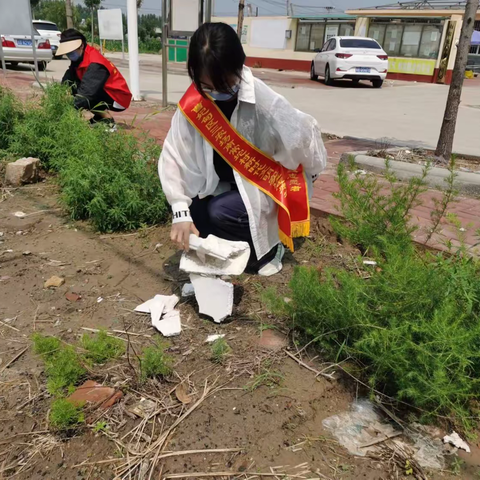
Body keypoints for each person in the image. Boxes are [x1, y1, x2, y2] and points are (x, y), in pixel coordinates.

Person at [159, 23, 327, 276]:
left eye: (224, 84)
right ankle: (235, 244)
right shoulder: (194, 103)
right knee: (192, 212)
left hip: (266, 184)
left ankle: (270, 250)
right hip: (224, 183)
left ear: (239, 66)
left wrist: (307, 175)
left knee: (220, 213)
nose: (215, 92)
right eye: (207, 86)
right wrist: (180, 211)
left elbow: (301, 138)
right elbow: (175, 154)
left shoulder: (264, 101)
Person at [56, 29, 132, 126]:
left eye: (71, 52)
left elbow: (86, 94)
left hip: (118, 97)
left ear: (81, 46)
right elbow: (69, 77)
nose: (69, 55)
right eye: (67, 53)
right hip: (104, 92)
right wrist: (60, 93)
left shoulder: (95, 63)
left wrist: (66, 109)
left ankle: (108, 120)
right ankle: (99, 117)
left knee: (84, 96)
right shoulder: (81, 57)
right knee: (75, 88)